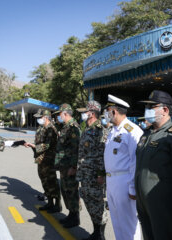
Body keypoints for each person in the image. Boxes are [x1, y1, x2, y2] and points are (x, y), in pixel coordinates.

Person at [135, 90, 172, 240]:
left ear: (165, 110)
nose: (147, 110)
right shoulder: (147, 134)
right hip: (144, 202)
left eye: (151, 107)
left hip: (164, 204)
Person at [103, 94, 143, 240]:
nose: (106, 114)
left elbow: (136, 161)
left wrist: (133, 188)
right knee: (117, 223)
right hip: (112, 181)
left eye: (107, 111)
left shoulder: (132, 131)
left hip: (124, 182)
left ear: (114, 111)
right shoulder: (113, 131)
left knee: (129, 224)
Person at [76, 101, 108, 240]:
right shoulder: (87, 129)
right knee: (90, 203)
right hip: (85, 174)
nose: (83, 114)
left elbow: (103, 154)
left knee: (98, 205)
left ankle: (100, 235)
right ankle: (96, 232)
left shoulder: (100, 130)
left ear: (92, 113)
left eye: (85, 111)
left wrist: (101, 174)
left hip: (95, 175)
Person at [24, 109, 62, 213]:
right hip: (41, 159)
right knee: (44, 180)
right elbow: (39, 142)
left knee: (52, 181)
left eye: (39, 117)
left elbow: (47, 145)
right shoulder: (41, 128)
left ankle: (57, 204)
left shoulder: (51, 129)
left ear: (45, 117)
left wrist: (34, 146)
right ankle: (49, 202)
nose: (38, 119)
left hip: (49, 159)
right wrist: (33, 146)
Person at [54, 103, 81, 228]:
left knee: (72, 191)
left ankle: (75, 217)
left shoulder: (73, 127)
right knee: (65, 190)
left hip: (69, 166)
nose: (59, 117)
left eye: (60, 114)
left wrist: (73, 167)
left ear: (65, 114)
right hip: (63, 165)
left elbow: (76, 149)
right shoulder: (65, 127)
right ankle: (71, 214)